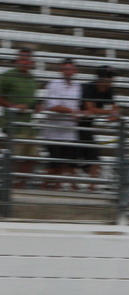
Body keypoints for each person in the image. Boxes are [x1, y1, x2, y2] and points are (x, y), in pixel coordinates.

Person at [0, 48, 41, 189]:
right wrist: (13, 106)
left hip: (29, 124)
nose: (26, 62)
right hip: (14, 124)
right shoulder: (8, 76)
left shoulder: (32, 79)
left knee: (32, 156)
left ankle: (20, 185)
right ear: (17, 60)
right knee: (15, 156)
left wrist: (37, 105)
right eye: (23, 59)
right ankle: (9, 186)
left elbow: (33, 100)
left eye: (28, 59)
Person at [40, 58, 83, 190]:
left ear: (75, 71)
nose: (67, 72)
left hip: (70, 132)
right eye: (65, 69)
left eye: (69, 69)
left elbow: (78, 106)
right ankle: (45, 188)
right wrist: (72, 111)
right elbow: (53, 106)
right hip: (54, 132)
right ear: (61, 70)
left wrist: (78, 114)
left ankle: (56, 188)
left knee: (65, 164)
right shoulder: (54, 85)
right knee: (54, 165)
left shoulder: (78, 86)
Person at [77, 66, 119, 188]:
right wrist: (110, 113)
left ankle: (91, 189)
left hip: (87, 126)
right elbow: (90, 108)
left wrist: (114, 114)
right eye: (110, 78)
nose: (111, 81)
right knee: (73, 160)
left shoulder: (108, 89)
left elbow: (115, 107)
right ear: (102, 78)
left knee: (94, 160)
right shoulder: (89, 88)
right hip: (76, 125)